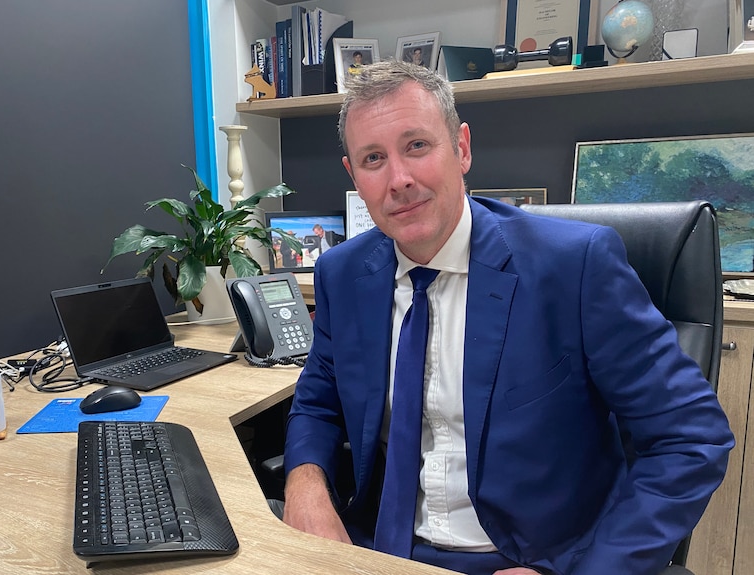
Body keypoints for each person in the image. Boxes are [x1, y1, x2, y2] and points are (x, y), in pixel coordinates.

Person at [282, 59, 734, 575]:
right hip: (380, 549)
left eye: (417, 146)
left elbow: (691, 436)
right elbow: (316, 402)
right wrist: (305, 485)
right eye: (373, 159)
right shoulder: (343, 273)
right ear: (353, 175)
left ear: (462, 148)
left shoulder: (574, 266)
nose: (399, 179)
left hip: (537, 560)